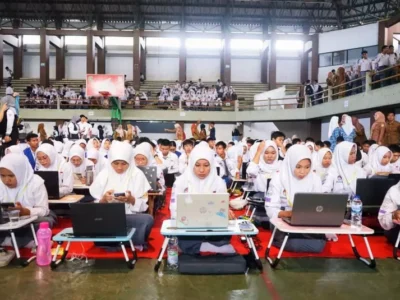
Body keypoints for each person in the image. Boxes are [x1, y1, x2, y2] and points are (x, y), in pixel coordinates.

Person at [170, 144, 235, 255]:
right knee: (179, 236)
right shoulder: (181, 181)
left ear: (212, 165)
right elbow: (174, 208)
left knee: (226, 231)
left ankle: (198, 246)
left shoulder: (218, 182)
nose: (201, 170)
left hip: (212, 226)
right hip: (188, 225)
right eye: (197, 165)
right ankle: (213, 247)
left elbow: (222, 208)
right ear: (191, 165)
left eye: (206, 165)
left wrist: (226, 213)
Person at [90, 141, 154, 248]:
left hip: (129, 217)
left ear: (129, 162)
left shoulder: (137, 175)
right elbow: (96, 205)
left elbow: (143, 206)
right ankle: (128, 241)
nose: (119, 167)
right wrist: (104, 200)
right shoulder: (104, 174)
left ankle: (111, 241)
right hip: (107, 217)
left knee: (148, 219)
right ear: (110, 162)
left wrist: (131, 200)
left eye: (124, 164)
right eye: (116, 163)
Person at [265, 144, 326, 253]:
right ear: (291, 163)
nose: (303, 172)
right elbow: (270, 210)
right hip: (283, 222)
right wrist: (289, 214)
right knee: (311, 245)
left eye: (307, 167)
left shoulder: (315, 179)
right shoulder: (278, 178)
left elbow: (319, 204)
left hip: (307, 222)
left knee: (318, 244)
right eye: (298, 167)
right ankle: (279, 240)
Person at [0, 154, 54, 256]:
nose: (6, 180)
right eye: (2, 176)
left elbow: (43, 209)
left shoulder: (35, 182)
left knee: (46, 222)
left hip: (31, 218)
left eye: (11, 175)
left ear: (20, 172)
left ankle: (8, 241)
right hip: (6, 219)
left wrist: (26, 211)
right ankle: (25, 242)